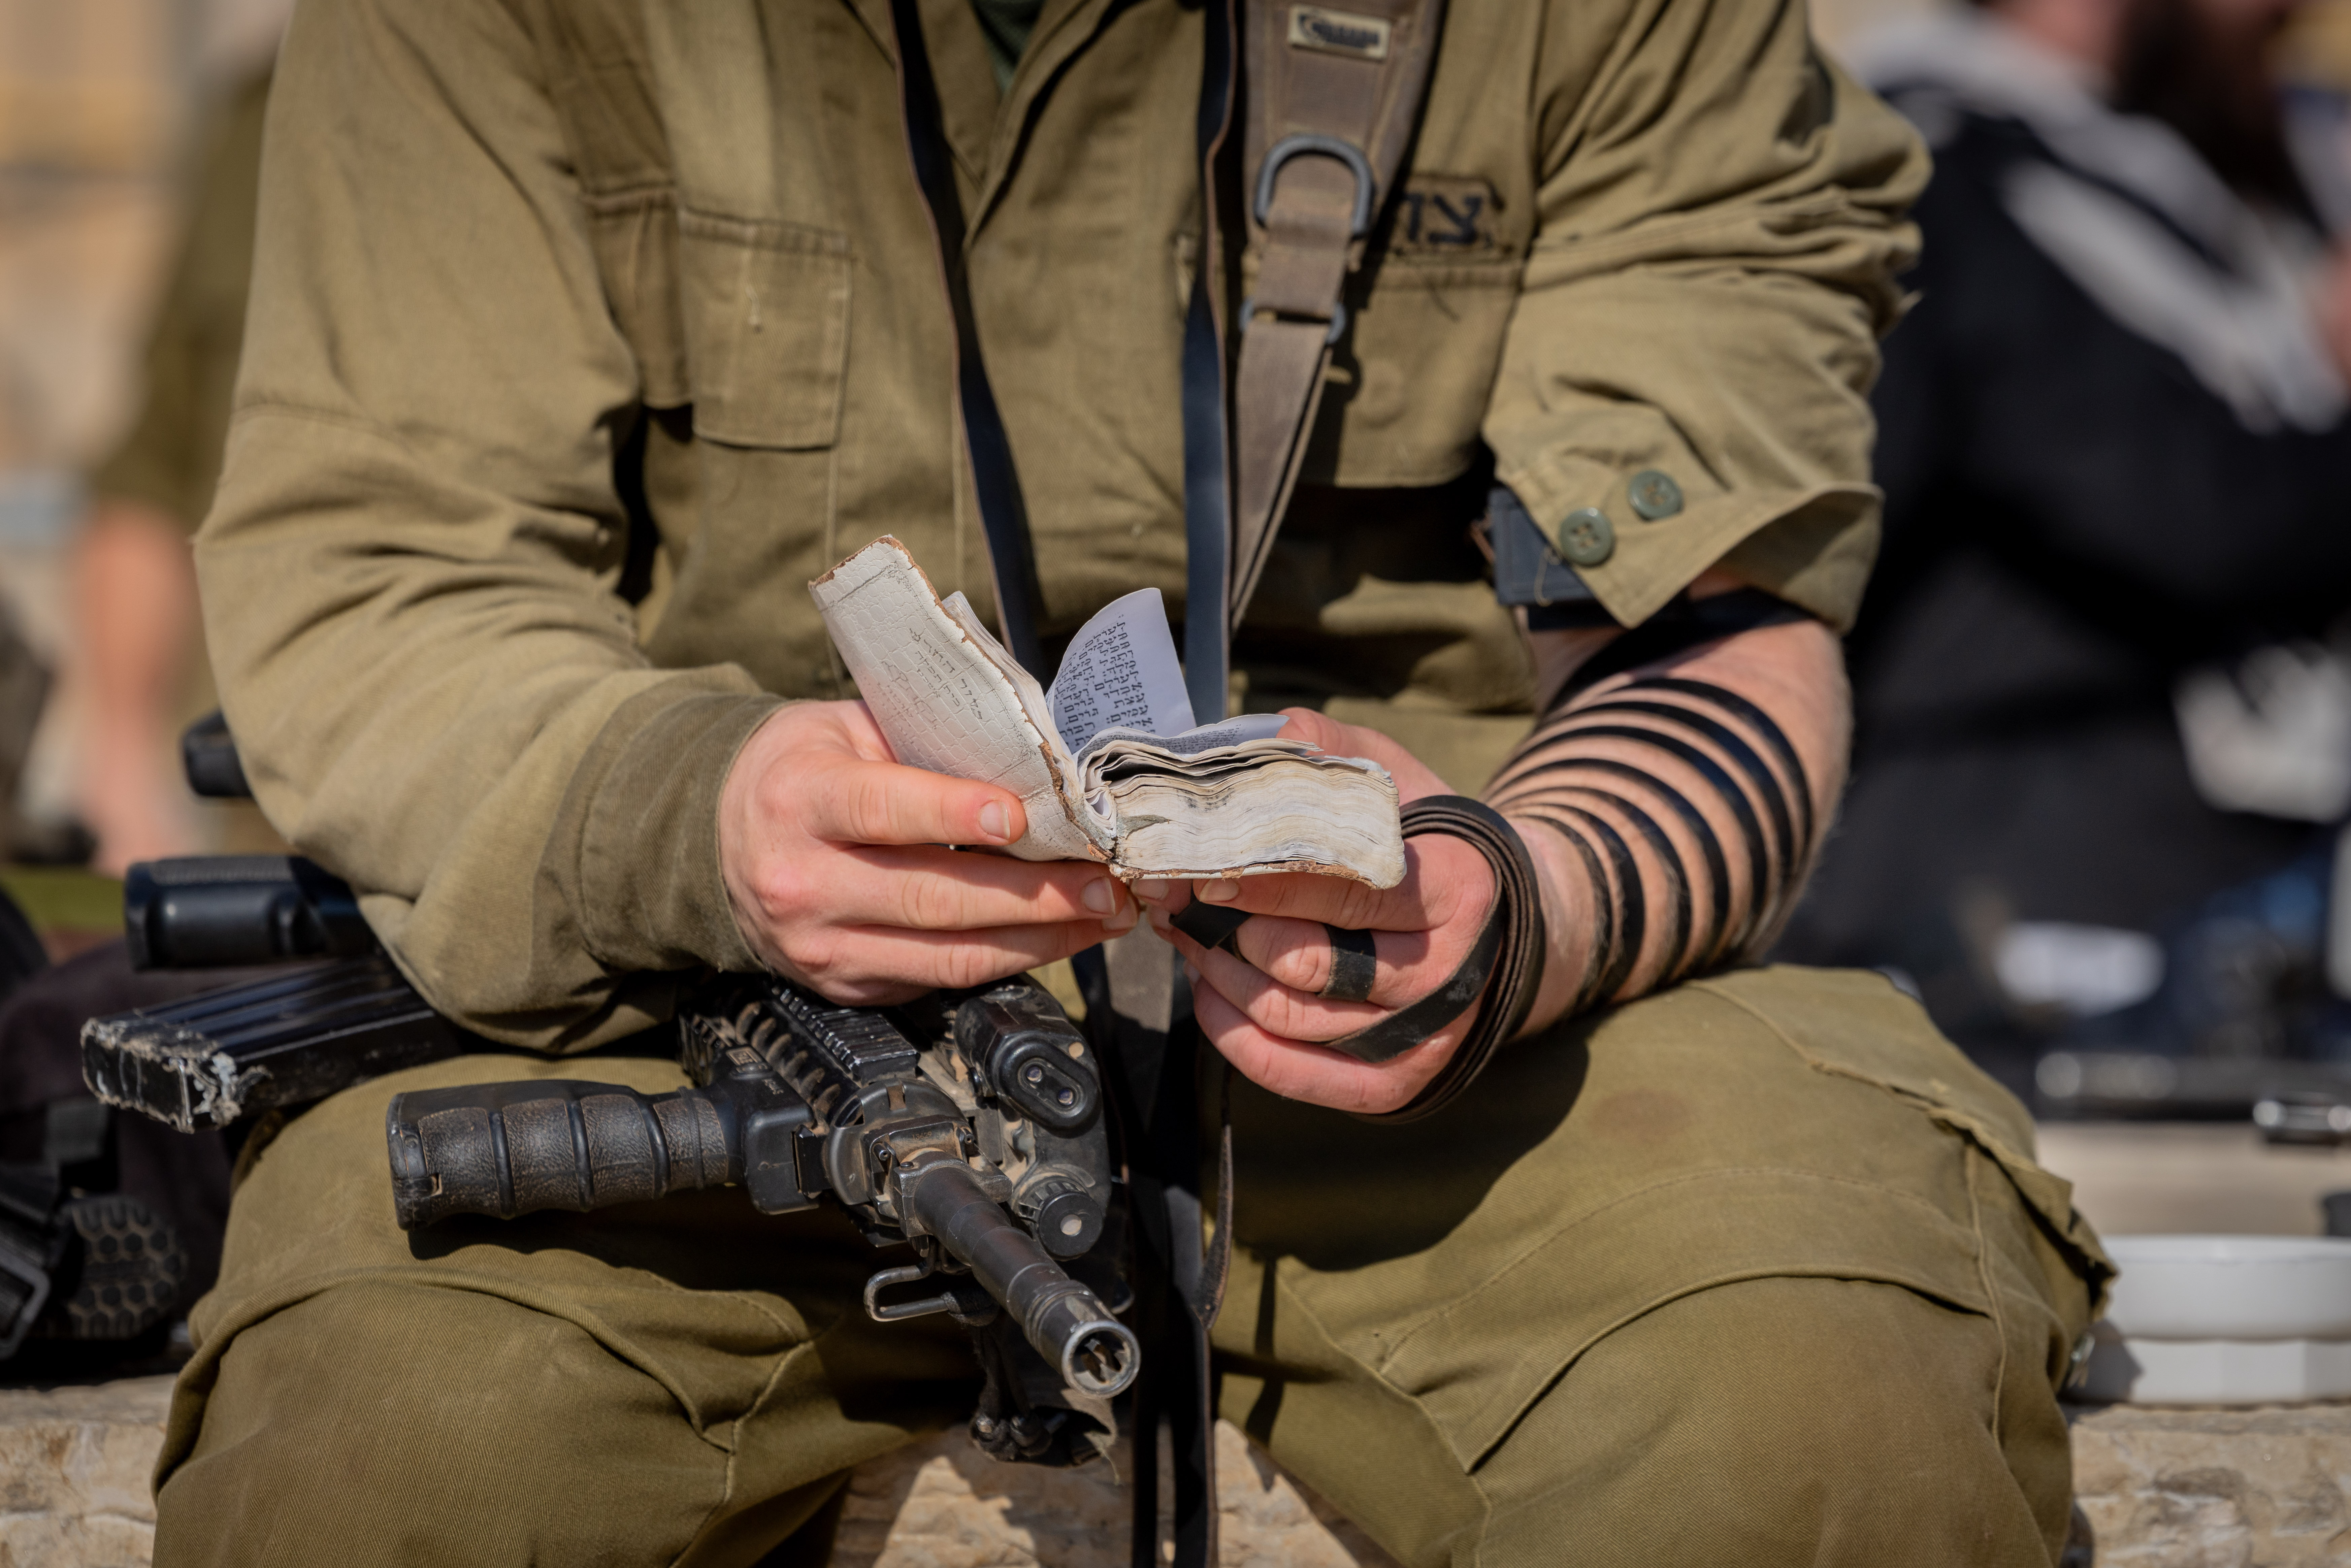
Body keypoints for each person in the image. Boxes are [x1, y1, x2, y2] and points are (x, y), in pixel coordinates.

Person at [154, 0, 2109, 1563]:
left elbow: (1712, 632)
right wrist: (694, 811)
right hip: (704, 1021)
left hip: (1458, 1022)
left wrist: (1522, 898)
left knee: (1813, 1391)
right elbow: (377, 580)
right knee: (404, 1441)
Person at [1776, 0, 2351, 1081]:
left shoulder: (2158, 167)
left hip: (2178, 889)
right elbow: (2196, 509)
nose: (2278, 32)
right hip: (2002, 895)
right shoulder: (1934, 168)